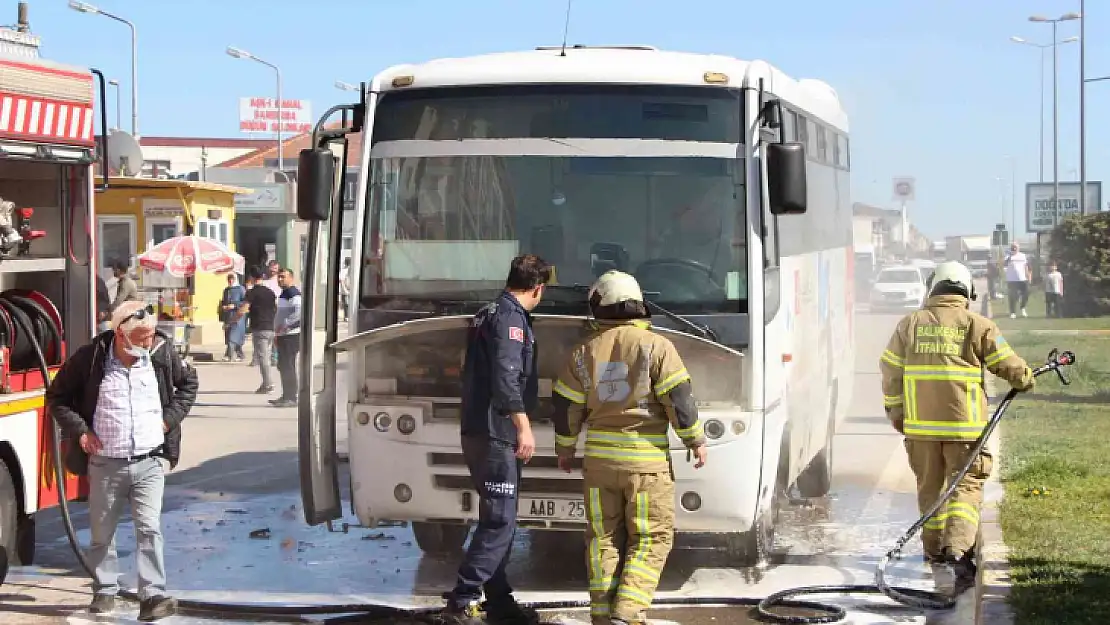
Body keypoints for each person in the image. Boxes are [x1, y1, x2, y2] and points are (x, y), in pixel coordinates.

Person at [551, 270, 708, 625]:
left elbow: (564, 406)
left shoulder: (582, 353)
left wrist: (565, 448)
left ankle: (604, 618)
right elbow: (678, 398)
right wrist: (694, 439)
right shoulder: (657, 346)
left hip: (599, 465)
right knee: (651, 539)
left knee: (602, 540)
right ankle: (627, 614)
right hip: (646, 465)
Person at [879, 261, 1034, 597]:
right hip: (965, 431)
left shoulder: (910, 324)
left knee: (930, 493)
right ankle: (959, 553)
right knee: (965, 490)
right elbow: (1008, 365)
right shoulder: (977, 324)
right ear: (967, 291)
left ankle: (934, 553)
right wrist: (1025, 377)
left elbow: (890, 369)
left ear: (933, 289)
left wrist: (895, 410)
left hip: (920, 431)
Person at [45, 300, 198, 621]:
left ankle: (153, 594)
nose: (149, 341)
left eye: (152, 334)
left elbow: (188, 386)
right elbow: (57, 397)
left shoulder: (162, 354)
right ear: (120, 334)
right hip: (106, 463)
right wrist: (81, 432)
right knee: (102, 533)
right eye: (142, 336)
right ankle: (104, 590)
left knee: (149, 529)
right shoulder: (91, 359)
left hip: (150, 460)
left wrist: (168, 421)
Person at [440, 254, 552, 625]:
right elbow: (507, 377)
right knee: (500, 520)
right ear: (537, 288)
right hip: (496, 432)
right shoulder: (509, 319)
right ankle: (464, 597)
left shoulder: (489, 312)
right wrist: (523, 426)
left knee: (499, 518)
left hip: (481, 429)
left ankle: (499, 599)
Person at [238, 266, 277, 394]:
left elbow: (244, 309)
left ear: (252, 278)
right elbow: (275, 308)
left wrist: (232, 320)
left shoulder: (252, 293)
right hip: (271, 327)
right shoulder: (270, 292)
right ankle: (266, 383)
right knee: (266, 356)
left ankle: (268, 384)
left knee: (263, 358)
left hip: (260, 328)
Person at [272, 268, 302, 407]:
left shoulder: (293, 293)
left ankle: (291, 397)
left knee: (288, 365)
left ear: (291, 278)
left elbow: (299, 313)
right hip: (283, 335)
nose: (280, 279)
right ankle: (285, 395)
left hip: (291, 335)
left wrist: (286, 326)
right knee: (283, 365)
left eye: (283, 277)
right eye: (279, 277)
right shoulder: (284, 294)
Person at [220, 273, 247, 361]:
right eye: (229, 279)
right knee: (229, 336)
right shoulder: (226, 290)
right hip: (228, 316)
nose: (230, 281)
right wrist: (224, 306)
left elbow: (245, 302)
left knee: (234, 336)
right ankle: (238, 354)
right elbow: (224, 301)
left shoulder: (241, 289)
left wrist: (235, 306)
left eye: (232, 279)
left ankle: (230, 356)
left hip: (238, 316)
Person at [1003, 242, 1031, 319]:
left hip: (1022, 278)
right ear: (1011, 248)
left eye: (1016, 247)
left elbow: (1026, 266)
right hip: (1012, 280)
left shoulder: (1023, 256)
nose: (1014, 248)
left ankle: (1023, 308)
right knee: (1012, 296)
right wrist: (1009, 256)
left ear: (1018, 248)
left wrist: (1028, 276)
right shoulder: (1008, 256)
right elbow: (1003, 264)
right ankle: (1012, 312)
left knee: (1027, 292)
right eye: (1013, 247)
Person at [340, 258, 351, 322]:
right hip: (346, 290)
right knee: (346, 304)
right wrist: (345, 290)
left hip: (346, 290)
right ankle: (346, 316)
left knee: (347, 304)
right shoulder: (344, 271)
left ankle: (347, 316)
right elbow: (342, 281)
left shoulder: (345, 270)